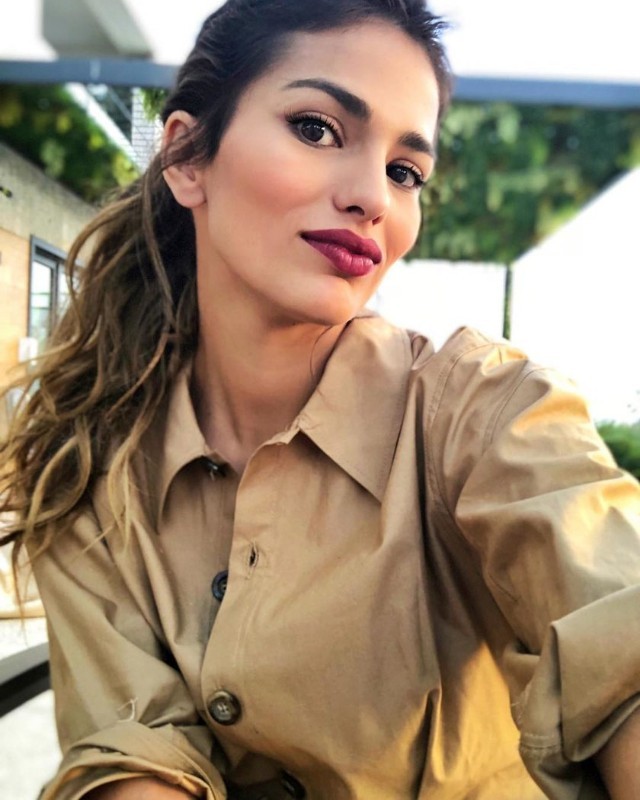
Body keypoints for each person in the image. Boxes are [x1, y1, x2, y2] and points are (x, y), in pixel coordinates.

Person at [1, 1, 639, 798]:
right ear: (188, 156)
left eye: (406, 172)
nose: (373, 196)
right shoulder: (90, 464)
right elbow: (131, 754)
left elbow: (618, 631)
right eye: (317, 128)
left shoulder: (486, 412)